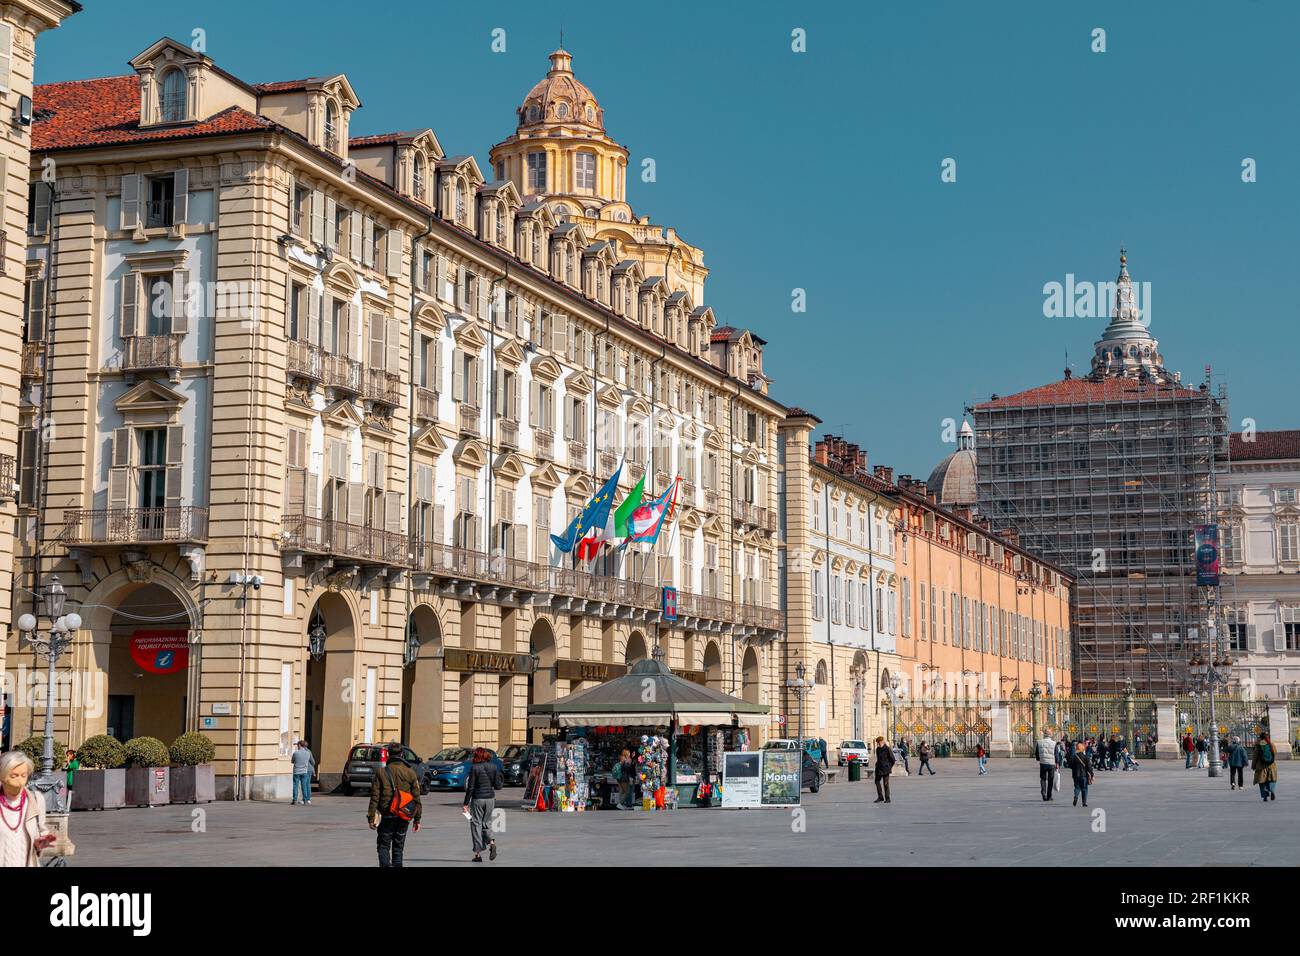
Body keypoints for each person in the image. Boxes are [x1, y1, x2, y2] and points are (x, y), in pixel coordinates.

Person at [366, 741, 421, 867]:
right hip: (403, 814)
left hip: (386, 814)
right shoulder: (410, 772)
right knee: (398, 848)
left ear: (388, 754)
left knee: (383, 846)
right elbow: (417, 799)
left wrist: (371, 817)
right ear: (402, 754)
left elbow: (375, 797)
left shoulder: (381, 772)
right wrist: (417, 819)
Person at [0, 751, 56, 867]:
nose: (20, 780)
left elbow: (42, 829)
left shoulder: (36, 799)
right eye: (14, 776)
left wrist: (42, 841)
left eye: (23, 775)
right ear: (2, 776)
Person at [464, 747, 503, 862]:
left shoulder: (474, 768)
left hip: (478, 799)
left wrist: (466, 803)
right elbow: (498, 785)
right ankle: (491, 843)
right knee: (487, 823)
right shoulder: (494, 767)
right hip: (490, 799)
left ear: (477, 756)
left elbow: (470, 787)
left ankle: (477, 855)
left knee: (476, 825)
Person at [1251, 733, 1277, 803]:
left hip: (1261, 766)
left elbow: (1255, 757)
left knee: (1262, 781)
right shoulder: (1271, 744)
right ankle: (1272, 791)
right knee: (1271, 779)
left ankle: (1265, 796)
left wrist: (1253, 766)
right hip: (1271, 765)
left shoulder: (1258, 745)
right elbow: (1275, 752)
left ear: (1260, 737)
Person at [1069, 741, 1093, 807]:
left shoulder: (1073, 757)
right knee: (1084, 788)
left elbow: (1070, 765)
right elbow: (1089, 767)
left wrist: (1074, 768)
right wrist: (1091, 774)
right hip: (1084, 775)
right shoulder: (1086, 757)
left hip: (1075, 775)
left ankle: (1076, 796)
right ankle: (1084, 802)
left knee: (1077, 787)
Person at [290, 740, 314, 806]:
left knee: (295, 786)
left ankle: (294, 800)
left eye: (298, 745)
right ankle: (305, 800)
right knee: (304, 786)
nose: (297, 746)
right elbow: (311, 761)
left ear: (300, 745)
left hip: (296, 771)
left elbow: (292, 761)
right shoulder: (308, 753)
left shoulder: (296, 753)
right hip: (304, 771)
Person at [873, 736, 895, 803]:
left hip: (886, 768)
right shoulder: (877, 749)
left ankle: (887, 798)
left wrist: (889, 766)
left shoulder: (887, 749)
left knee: (886, 784)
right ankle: (880, 797)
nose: (878, 744)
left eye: (878, 743)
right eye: (877, 743)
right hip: (879, 768)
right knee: (877, 781)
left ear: (882, 742)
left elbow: (893, 759)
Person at [1036, 731, 1057, 800]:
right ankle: (1049, 795)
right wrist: (1057, 763)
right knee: (1050, 780)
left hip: (1043, 763)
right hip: (1051, 764)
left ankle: (1043, 792)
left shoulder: (1039, 742)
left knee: (1043, 778)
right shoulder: (1054, 743)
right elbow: (1056, 754)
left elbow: (1037, 753)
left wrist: (1039, 759)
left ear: (1044, 735)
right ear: (1050, 735)